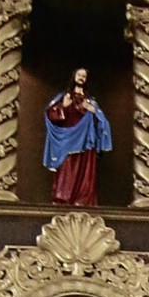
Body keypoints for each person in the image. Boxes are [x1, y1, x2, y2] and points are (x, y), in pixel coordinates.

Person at [43, 67, 112, 206]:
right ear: (74, 76)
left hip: (86, 140)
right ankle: (63, 198)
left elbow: (102, 120)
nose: (81, 77)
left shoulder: (90, 101)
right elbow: (50, 114)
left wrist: (92, 110)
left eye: (84, 76)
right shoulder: (64, 97)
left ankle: (83, 199)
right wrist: (63, 106)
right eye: (79, 75)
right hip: (68, 139)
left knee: (85, 170)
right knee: (67, 169)